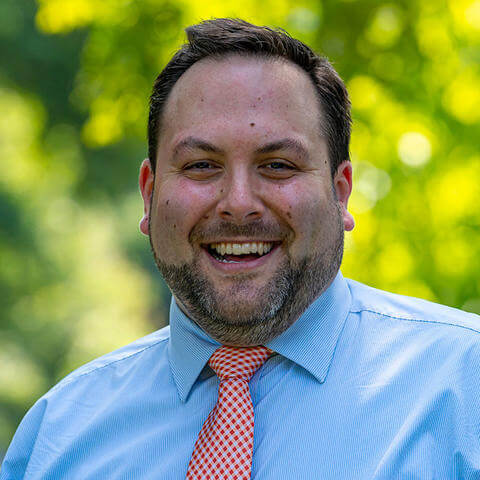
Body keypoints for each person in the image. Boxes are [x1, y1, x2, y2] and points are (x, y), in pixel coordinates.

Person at [1, 17, 479, 480]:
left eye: (277, 165)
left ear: (341, 192)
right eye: (201, 166)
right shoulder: (56, 437)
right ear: (149, 194)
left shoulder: (464, 387)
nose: (238, 204)